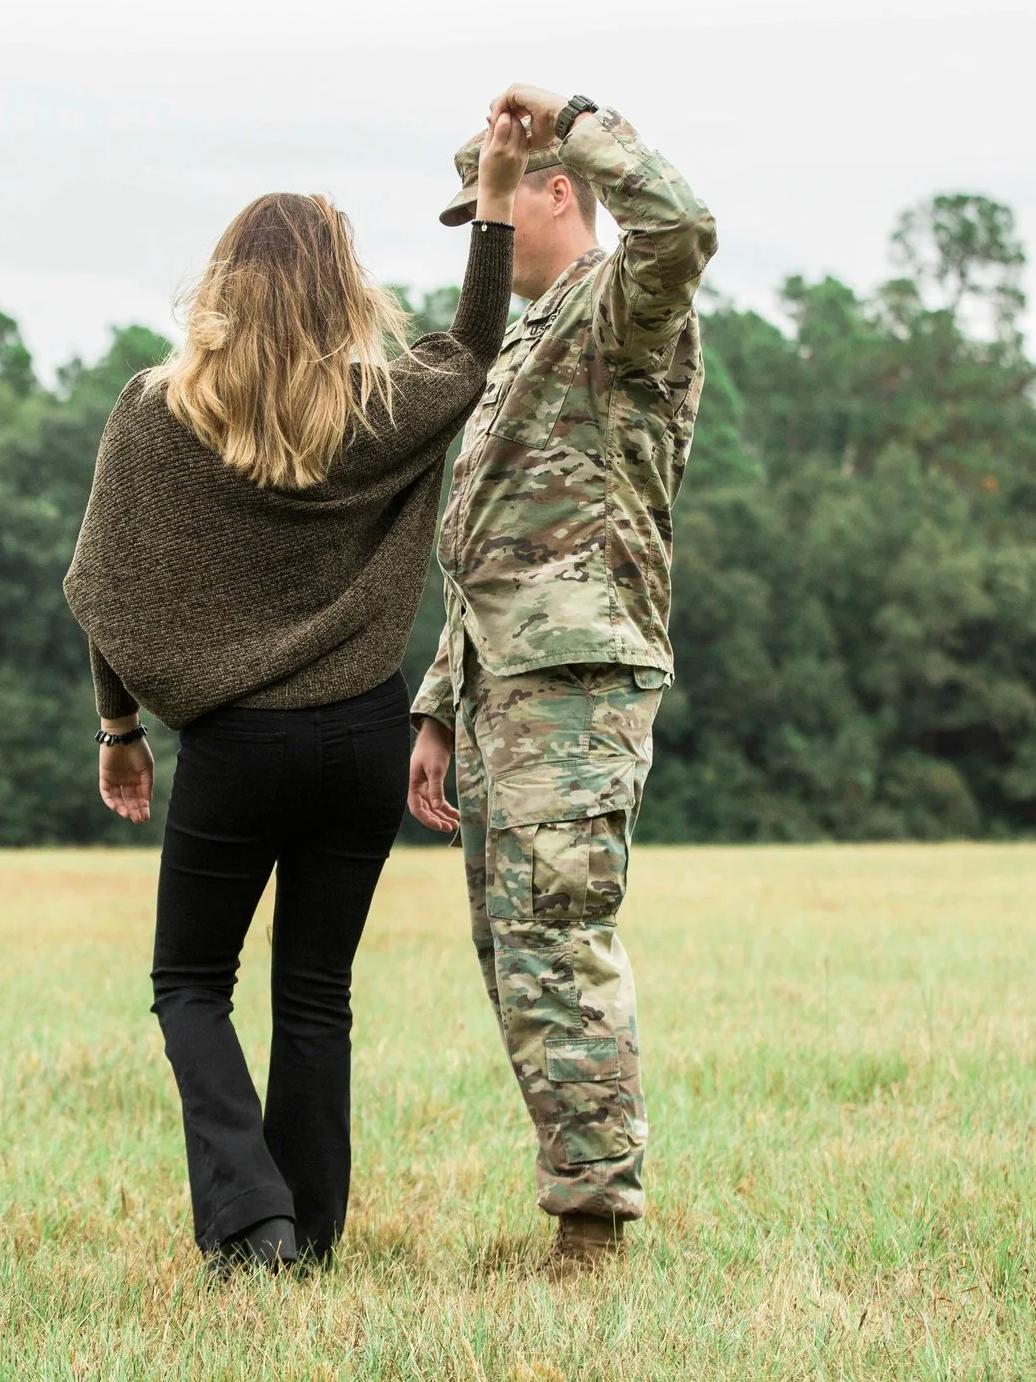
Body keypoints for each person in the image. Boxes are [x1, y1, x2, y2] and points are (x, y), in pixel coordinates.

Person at [62, 114, 526, 1274]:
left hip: (238, 749)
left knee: (188, 984)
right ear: (342, 289)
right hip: (363, 739)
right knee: (316, 993)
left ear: (222, 285)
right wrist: (500, 200)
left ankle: (253, 1217)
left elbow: (108, 587)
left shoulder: (155, 413)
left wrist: (121, 728)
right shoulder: (380, 408)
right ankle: (305, 1237)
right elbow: (471, 344)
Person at [405, 85, 717, 1273]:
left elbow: (682, 226)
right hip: (500, 683)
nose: (481, 229)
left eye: (494, 200)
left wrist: (576, 119)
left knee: (557, 934)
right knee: (513, 946)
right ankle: (579, 1203)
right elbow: (483, 536)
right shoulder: (516, 340)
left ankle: (592, 1231)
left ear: (553, 191)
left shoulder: (622, 307)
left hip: (578, 673)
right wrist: (439, 699)